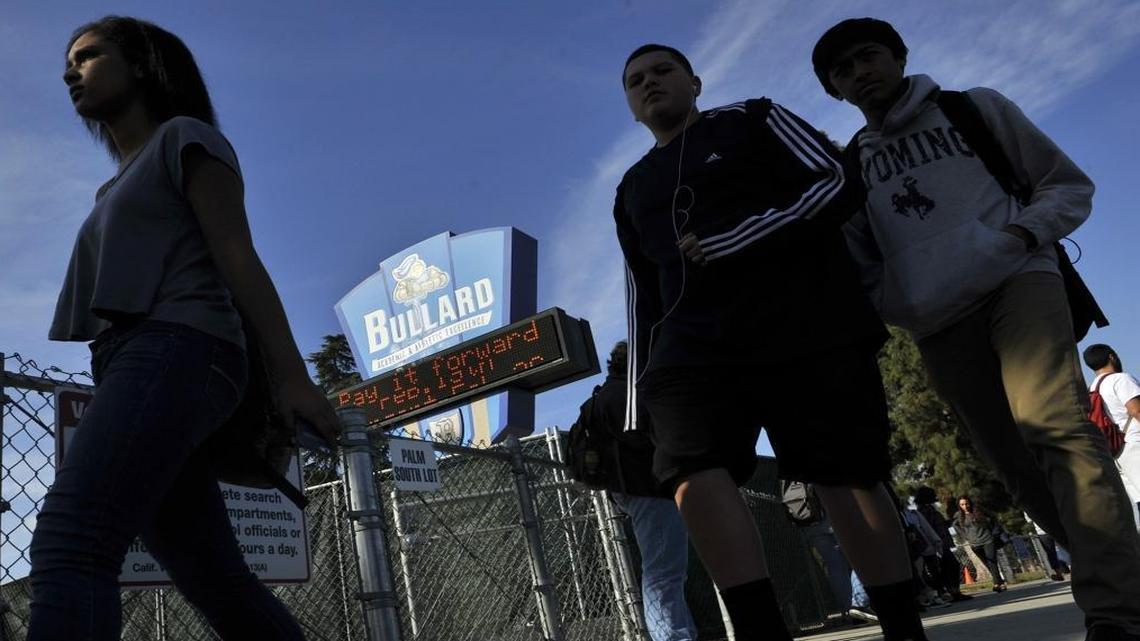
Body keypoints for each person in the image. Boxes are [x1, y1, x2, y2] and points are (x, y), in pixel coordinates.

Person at [813, 17, 1140, 640]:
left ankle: (1116, 610)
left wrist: (1020, 235)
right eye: (844, 69)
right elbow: (859, 260)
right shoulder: (852, 167)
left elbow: (1064, 182)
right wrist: (899, 301)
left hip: (1019, 280)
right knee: (1014, 465)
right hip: (936, 319)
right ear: (835, 89)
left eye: (869, 56)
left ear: (898, 56)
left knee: (1056, 429)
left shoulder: (974, 109)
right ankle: (1121, 573)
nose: (861, 71)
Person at [29, 16, 339, 640]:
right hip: (137, 363)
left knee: (73, 541)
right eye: (69, 61)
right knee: (211, 576)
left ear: (142, 64)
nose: (70, 71)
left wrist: (294, 378)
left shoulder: (187, 138)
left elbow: (238, 256)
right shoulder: (109, 187)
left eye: (89, 56)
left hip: (179, 349)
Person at [614, 43, 927, 640]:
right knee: (688, 466)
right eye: (636, 81)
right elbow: (640, 291)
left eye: (663, 71)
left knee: (842, 471)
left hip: (803, 322)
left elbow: (838, 180)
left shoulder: (755, 118)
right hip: (691, 346)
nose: (649, 83)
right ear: (630, 106)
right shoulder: (632, 186)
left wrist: (738, 236)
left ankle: (903, 626)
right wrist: (636, 401)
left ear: (696, 82)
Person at [594, 341, 698, 641]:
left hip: (631, 489)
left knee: (667, 571)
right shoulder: (626, 395)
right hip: (648, 488)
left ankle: (679, 634)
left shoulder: (606, 394)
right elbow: (646, 438)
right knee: (663, 573)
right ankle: (674, 637)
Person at [1083, 344, 1140, 529]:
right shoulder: (1121, 379)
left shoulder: (1093, 388)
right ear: (1112, 357)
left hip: (1117, 449)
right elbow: (1136, 409)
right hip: (1135, 441)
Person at [914, 487, 971, 602]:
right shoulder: (924, 511)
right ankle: (949, 592)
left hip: (942, 542)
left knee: (948, 567)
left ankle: (951, 591)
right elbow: (928, 528)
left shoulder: (930, 509)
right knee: (946, 567)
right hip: (936, 545)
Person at [952, 497, 1007, 592]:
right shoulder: (959, 515)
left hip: (987, 539)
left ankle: (996, 583)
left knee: (992, 561)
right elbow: (954, 525)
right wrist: (964, 535)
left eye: (966, 503)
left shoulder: (978, 510)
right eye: (962, 504)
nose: (965, 506)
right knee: (987, 563)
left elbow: (994, 517)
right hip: (975, 544)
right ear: (959, 506)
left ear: (970, 503)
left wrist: (995, 531)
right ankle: (1000, 582)